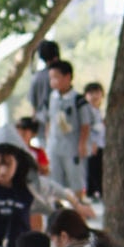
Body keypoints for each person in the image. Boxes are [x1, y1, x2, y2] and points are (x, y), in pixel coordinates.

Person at [46, 60, 91, 192]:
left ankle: (79, 208)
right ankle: (57, 209)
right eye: (51, 78)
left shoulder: (79, 100)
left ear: (68, 77)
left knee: (75, 179)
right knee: (54, 180)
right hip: (55, 145)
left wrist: (82, 144)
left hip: (72, 146)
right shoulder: (52, 97)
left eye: (56, 77)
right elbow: (50, 119)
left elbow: (85, 124)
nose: (52, 81)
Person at [29, 39, 61, 144]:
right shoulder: (59, 76)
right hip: (58, 126)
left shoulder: (36, 77)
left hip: (40, 128)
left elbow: (33, 107)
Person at [82, 82, 106, 199]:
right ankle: (93, 192)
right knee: (93, 170)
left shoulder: (100, 111)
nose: (94, 96)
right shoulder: (87, 111)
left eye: (97, 93)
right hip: (92, 146)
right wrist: (92, 143)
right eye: (91, 93)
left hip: (102, 144)